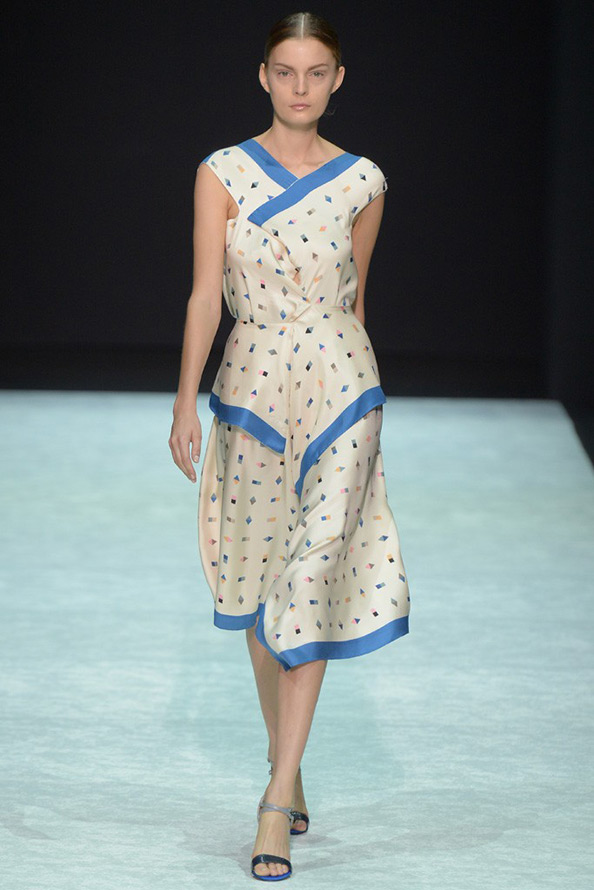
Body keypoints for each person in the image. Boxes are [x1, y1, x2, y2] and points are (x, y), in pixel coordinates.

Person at [169, 10, 411, 881]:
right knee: (261, 584)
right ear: (264, 76)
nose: (300, 87)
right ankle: (290, 758)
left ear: (337, 80)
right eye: (285, 70)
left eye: (316, 72)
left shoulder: (363, 181)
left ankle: (275, 800)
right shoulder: (222, 172)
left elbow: (356, 298)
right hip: (251, 389)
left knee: (310, 576)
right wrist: (185, 399)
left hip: (342, 388)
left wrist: (359, 388)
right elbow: (206, 294)